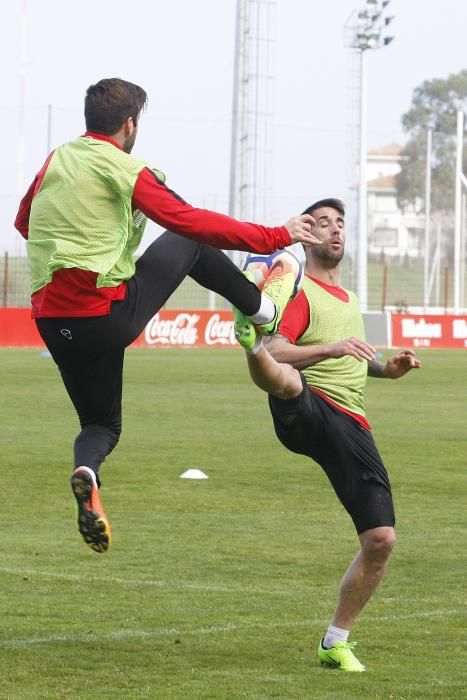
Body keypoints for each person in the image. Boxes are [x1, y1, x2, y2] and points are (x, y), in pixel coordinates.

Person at [14, 78, 321, 554]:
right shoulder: (125, 167)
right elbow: (188, 221)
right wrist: (274, 235)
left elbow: (23, 221)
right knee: (191, 242)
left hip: (53, 321)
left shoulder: (55, 160)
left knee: (101, 426)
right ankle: (264, 310)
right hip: (105, 311)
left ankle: (87, 472)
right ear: (130, 123)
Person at [234, 198, 421, 672]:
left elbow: (351, 360)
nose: (334, 230)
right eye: (322, 223)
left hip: (352, 425)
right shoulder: (301, 293)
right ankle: (247, 341)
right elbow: (284, 349)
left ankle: (334, 642)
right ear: (307, 236)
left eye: (340, 223)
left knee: (381, 539)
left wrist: (385, 369)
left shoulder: (351, 300)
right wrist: (318, 347)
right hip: (311, 408)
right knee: (283, 374)